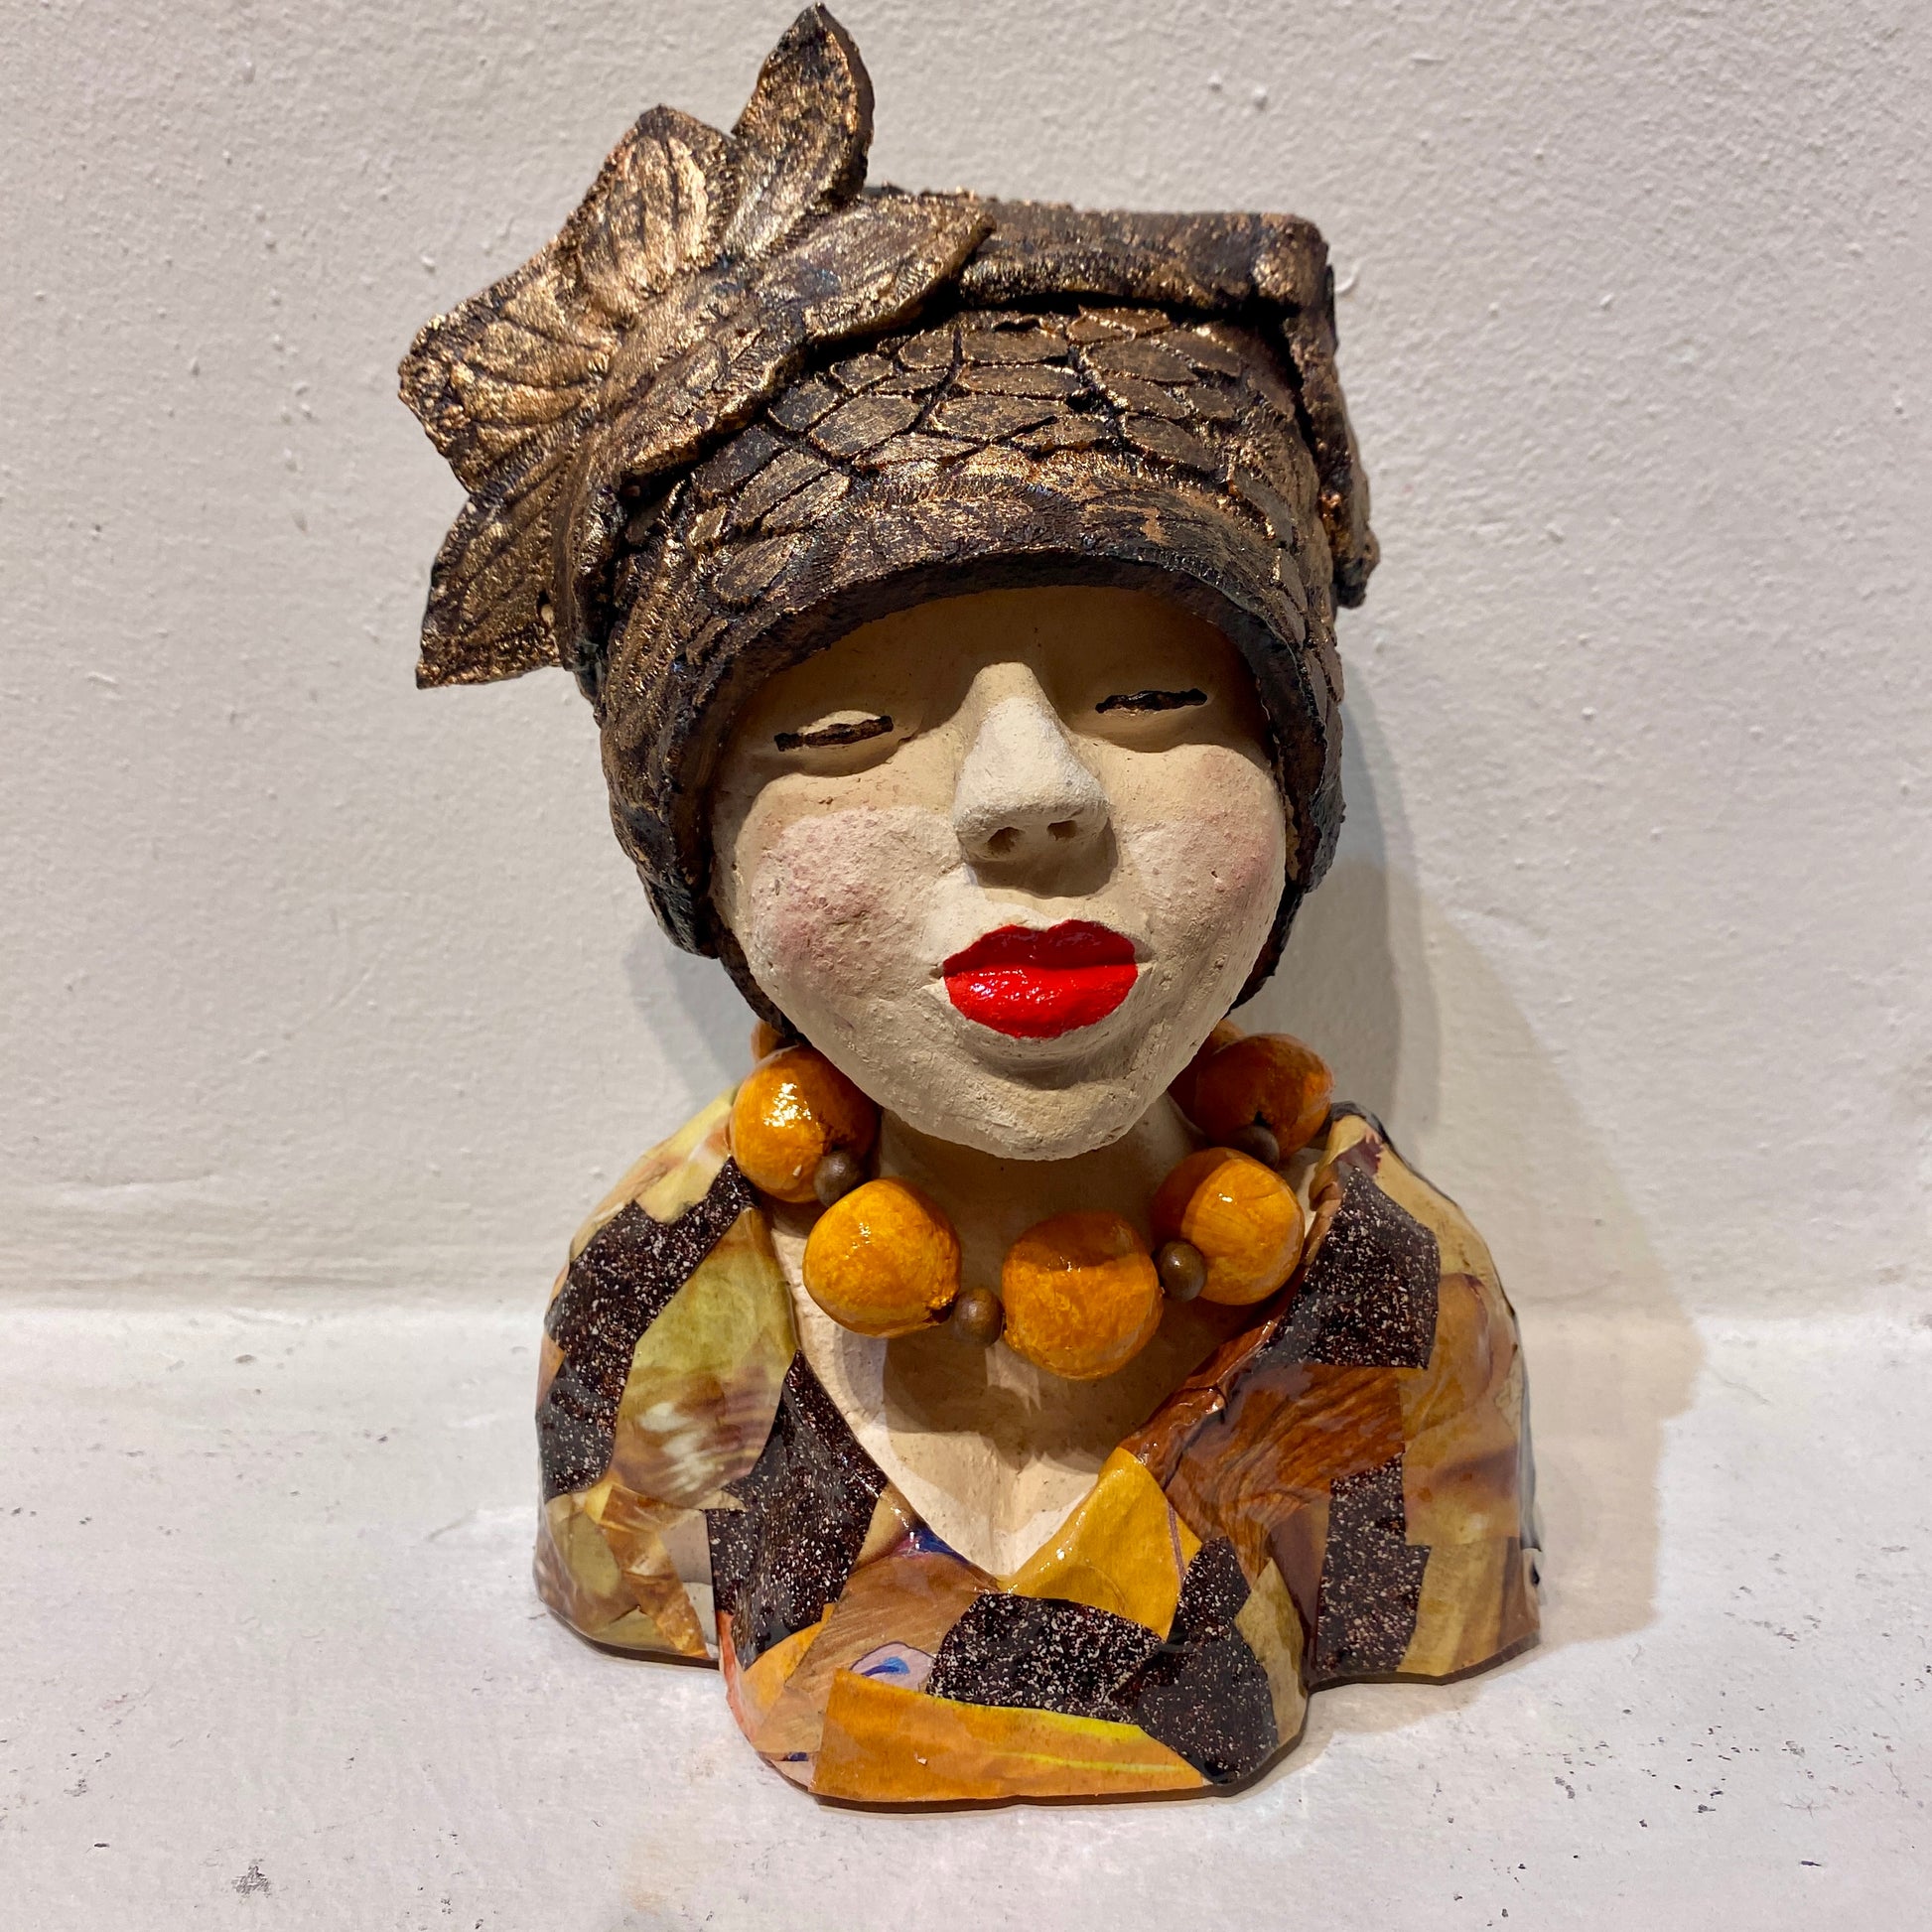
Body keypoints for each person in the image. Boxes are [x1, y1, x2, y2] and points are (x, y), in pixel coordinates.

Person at [402, 7, 1536, 1803]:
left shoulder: (1393, 1303)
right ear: (698, 854)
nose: (1029, 795)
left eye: (1152, 699)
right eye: (845, 727)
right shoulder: (655, 1305)